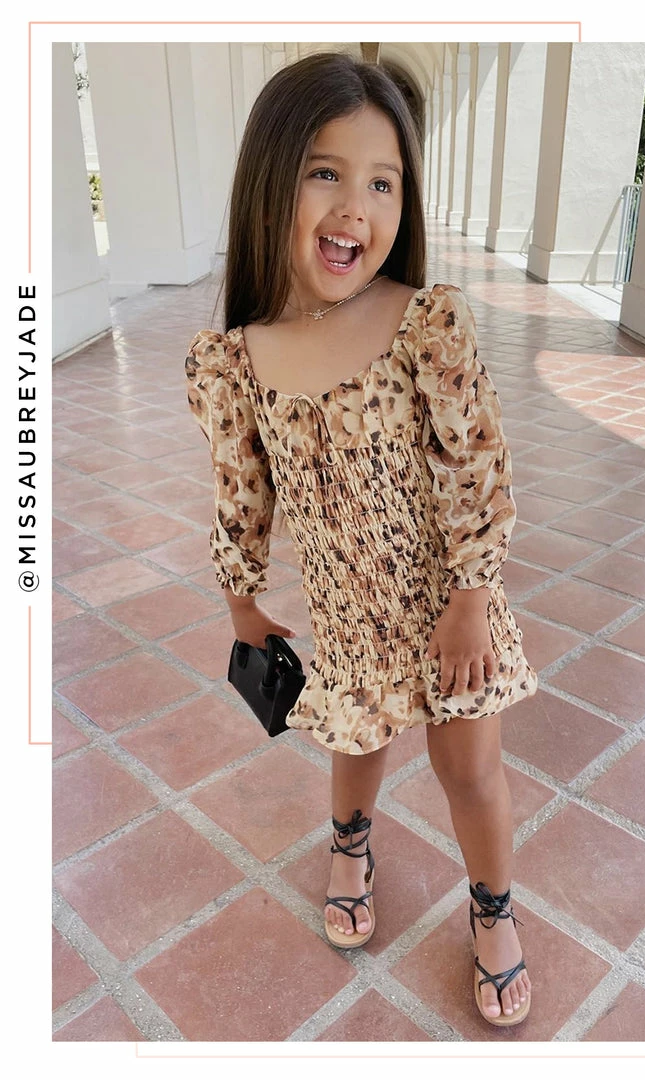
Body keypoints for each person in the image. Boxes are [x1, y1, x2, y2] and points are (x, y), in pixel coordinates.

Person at [185, 52, 538, 1028]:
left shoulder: (424, 322)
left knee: (469, 769)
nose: (355, 207)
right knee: (355, 739)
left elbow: (475, 466)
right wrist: (241, 601)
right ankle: (350, 843)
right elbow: (240, 492)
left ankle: (493, 907)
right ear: (271, 179)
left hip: (447, 608)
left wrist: (470, 601)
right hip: (343, 610)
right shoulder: (234, 359)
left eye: (383, 182)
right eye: (325, 172)